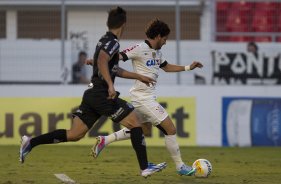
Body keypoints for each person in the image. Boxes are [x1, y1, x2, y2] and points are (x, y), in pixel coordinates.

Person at [19, 7, 167, 178]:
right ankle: (145, 167)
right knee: (135, 122)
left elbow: (113, 68)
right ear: (123, 24)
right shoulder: (112, 42)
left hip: (91, 94)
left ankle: (30, 143)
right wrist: (110, 85)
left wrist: (139, 76)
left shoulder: (103, 40)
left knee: (74, 134)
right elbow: (103, 60)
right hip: (102, 94)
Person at [88, 19, 203, 176]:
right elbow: (117, 57)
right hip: (142, 98)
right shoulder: (139, 48)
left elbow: (167, 67)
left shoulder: (158, 52)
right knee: (171, 128)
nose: (165, 42)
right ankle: (180, 166)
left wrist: (189, 67)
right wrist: (95, 61)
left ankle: (105, 140)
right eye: (165, 39)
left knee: (142, 129)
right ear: (157, 36)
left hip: (147, 97)